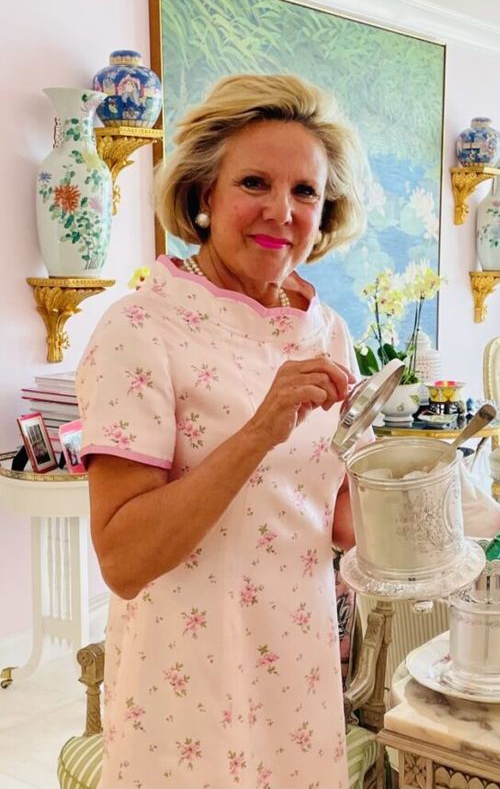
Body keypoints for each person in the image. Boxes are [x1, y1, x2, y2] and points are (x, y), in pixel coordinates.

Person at [76, 74, 369, 789]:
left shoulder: (328, 331)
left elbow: (334, 520)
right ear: (204, 194)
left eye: (305, 191)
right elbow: (122, 558)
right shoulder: (140, 328)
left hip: (297, 668)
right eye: (254, 183)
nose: (281, 210)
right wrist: (258, 431)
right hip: (186, 683)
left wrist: (408, 473)